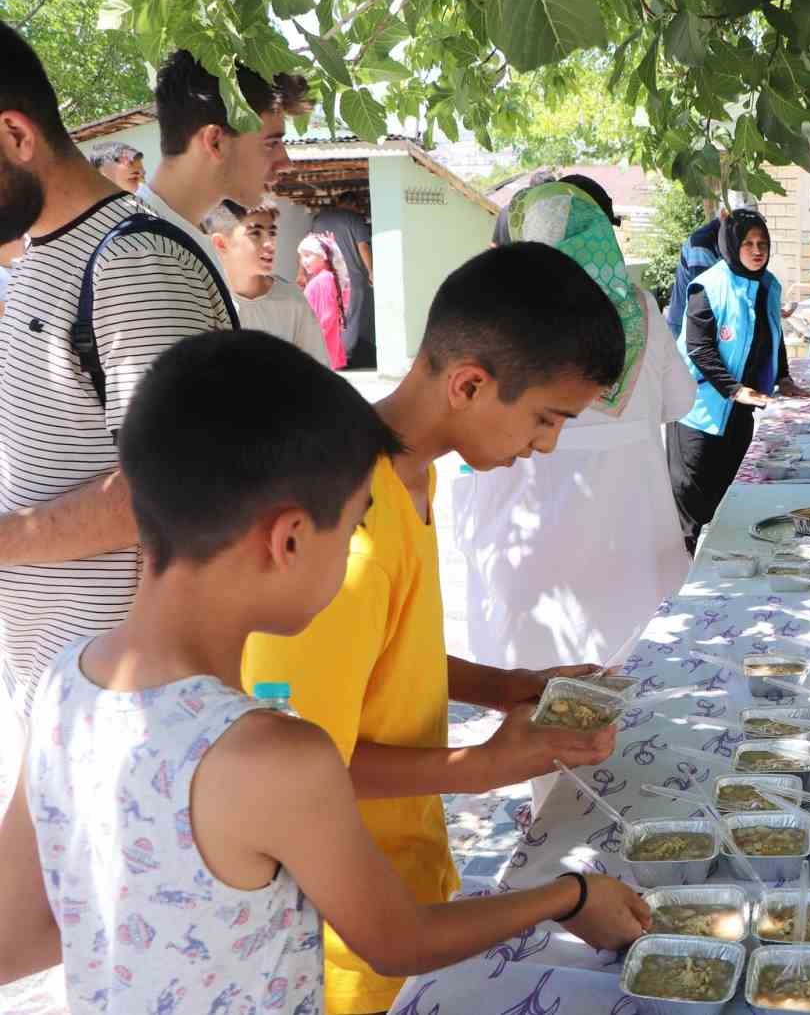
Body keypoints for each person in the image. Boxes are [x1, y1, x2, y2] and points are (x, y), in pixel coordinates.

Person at [0, 330, 649, 1013]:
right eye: (348, 532)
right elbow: (398, 941)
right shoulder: (281, 758)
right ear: (290, 540)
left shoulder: (63, 689)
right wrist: (568, 896)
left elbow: (19, 933)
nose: (350, 557)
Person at [242, 243, 628, 1015]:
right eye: (546, 418)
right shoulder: (346, 528)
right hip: (346, 929)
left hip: (405, 867)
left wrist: (511, 688)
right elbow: (295, 768)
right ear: (470, 384)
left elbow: (390, 653)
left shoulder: (412, 474)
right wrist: (479, 767)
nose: (546, 444)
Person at [0, 25, 261, 717]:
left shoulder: (131, 264)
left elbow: (167, 487)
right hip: (62, 706)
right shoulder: (37, 261)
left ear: (17, 136)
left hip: (132, 718)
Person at [455, 181, 696, 671]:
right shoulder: (641, 309)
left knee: (530, 686)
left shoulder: (496, 315)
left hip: (525, 529)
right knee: (634, 681)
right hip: (633, 527)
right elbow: (681, 401)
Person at [667, 208, 810, 552]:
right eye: (748, 243)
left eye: (763, 243)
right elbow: (699, 349)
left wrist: (784, 377)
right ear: (731, 245)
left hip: (739, 411)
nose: (757, 250)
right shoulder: (710, 286)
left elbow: (771, 334)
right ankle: (688, 581)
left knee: (729, 497)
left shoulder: (768, 285)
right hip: (700, 411)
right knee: (694, 506)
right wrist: (734, 390)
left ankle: (728, 568)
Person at [136, 50, 305, 271]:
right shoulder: (147, 256)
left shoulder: (179, 241)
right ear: (215, 142)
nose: (285, 163)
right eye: (271, 143)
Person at [204, 198, 330, 364]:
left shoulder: (292, 300)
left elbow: (317, 371)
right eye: (255, 233)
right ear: (221, 243)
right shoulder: (207, 302)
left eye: (272, 233)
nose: (270, 244)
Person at [313, 192, 376, 368]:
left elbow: (310, 246)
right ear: (354, 204)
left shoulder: (319, 219)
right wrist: (372, 271)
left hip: (324, 278)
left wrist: (302, 273)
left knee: (328, 317)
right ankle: (344, 358)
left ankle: (327, 356)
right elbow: (363, 247)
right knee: (350, 319)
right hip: (351, 279)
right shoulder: (355, 219)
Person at [298, 231, 351, 369]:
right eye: (302, 257)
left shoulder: (323, 279)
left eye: (308, 256)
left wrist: (310, 341)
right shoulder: (326, 278)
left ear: (323, 256)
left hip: (318, 348)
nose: (304, 261)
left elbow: (327, 316)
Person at [666, 212, 722, 338]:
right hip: (685, 329)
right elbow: (706, 301)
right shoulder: (701, 245)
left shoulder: (731, 241)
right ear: (724, 215)